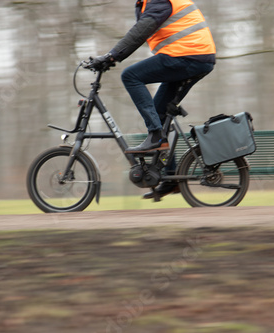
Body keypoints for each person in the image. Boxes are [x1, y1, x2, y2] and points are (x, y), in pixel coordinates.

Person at [89, 0, 216, 198]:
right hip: (192, 56)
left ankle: (156, 136)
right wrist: (111, 57)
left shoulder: (158, 1)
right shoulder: (149, 3)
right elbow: (143, 27)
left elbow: (142, 29)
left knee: (130, 76)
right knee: (158, 112)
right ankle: (171, 178)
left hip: (188, 55)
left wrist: (112, 56)